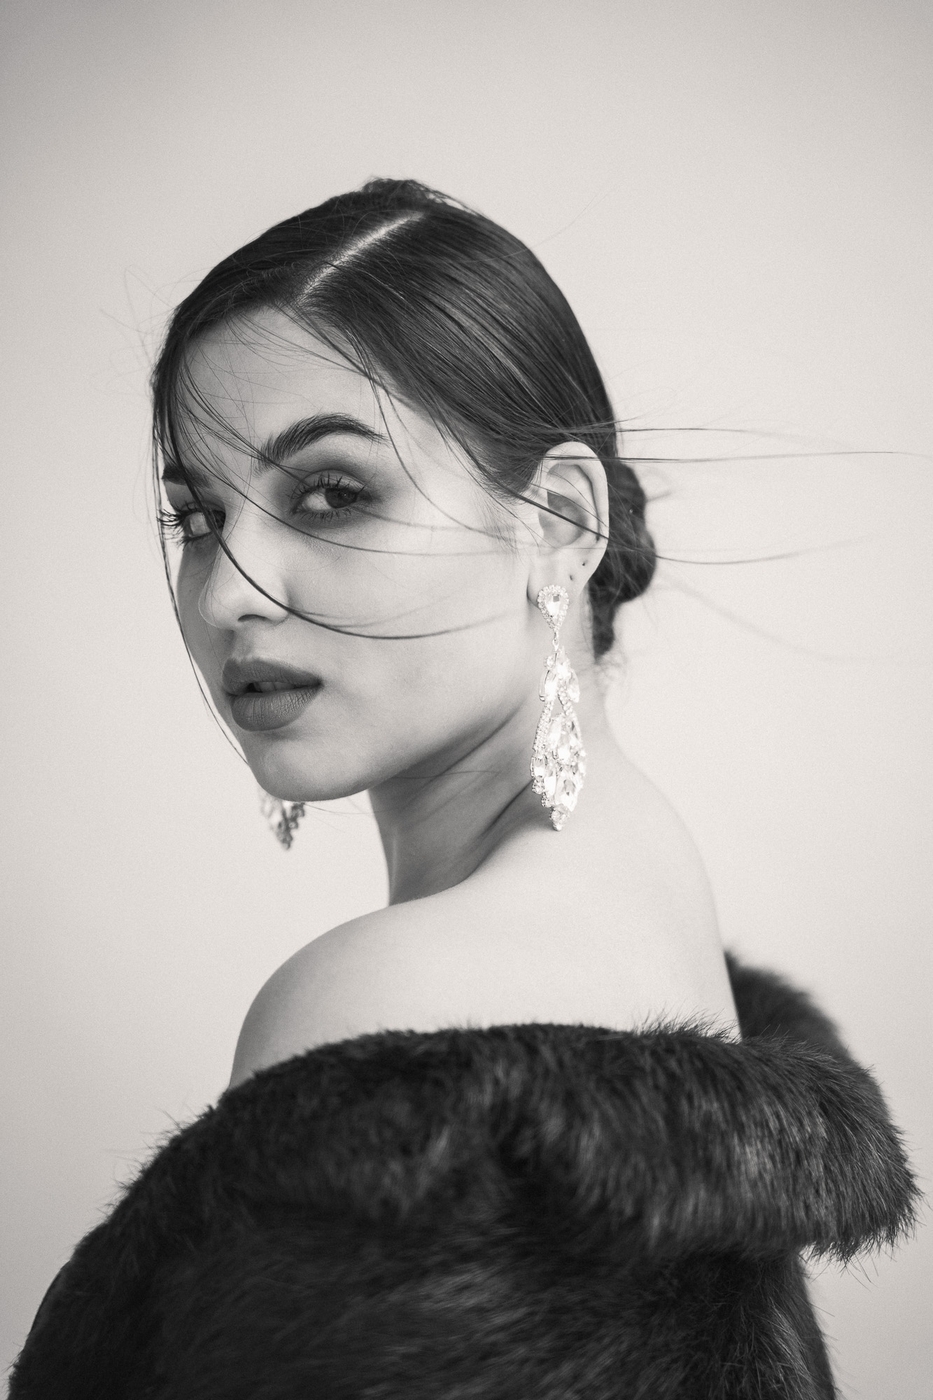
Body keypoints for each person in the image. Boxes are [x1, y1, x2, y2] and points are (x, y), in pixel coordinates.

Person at [10, 180, 917, 1399]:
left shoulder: (386, 1002)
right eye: (197, 514)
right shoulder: (643, 883)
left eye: (332, 492)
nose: (227, 592)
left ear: (560, 521)